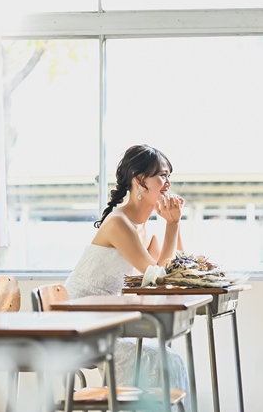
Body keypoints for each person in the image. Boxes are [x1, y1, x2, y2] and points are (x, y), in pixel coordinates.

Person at [65, 144, 190, 398]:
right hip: (80, 324)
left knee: (171, 359)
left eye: (169, 176)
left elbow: (172, 269)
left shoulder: (145, 230)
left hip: (107, 322)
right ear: (139, 180)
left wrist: (172, 224)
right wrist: (172, 225)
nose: (167, 183)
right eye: (161, 175)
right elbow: (158, 276)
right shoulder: (119, 223)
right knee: (154, 357)